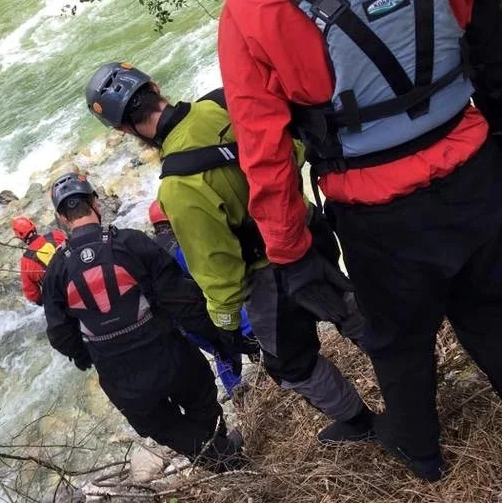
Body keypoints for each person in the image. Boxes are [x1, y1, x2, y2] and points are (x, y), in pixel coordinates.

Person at [217, 0, 502, 481]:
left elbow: (267, 160)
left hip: (379, 219)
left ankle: (420, 456)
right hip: (477, 175)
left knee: (398, 344)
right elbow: (492, 52)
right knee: (493, 308)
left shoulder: (251, 10)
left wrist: (293, 258)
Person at [86, 62, 374, 446]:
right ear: (154, 85)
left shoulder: (178, 187)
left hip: (271, 274)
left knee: (291, 364)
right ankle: (407, 373)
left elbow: (218, 269)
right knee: (349, 309)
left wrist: (225, 326)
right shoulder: (225, 103)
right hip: (309, 230)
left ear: (123, 129)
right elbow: (294, 149)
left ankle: (360, 422)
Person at [41, 172, 246, 471]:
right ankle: (224, 454)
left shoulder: (56, 271)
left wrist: (90, 356)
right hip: (168, 354)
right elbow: (183, 301)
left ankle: (219, 458)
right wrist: (220, 339)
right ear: (95, 202)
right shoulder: (131, 242)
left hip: (120, 376)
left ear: (61, 218)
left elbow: (61, 336)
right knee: (201, 398)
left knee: (162, 425)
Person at [148, 200, 254, 398]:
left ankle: (238, 394)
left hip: (180, 324)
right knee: (246, 332)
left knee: (222, 350)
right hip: (203, 311)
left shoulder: (149, 252)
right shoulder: (182, 248)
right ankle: (265, 369)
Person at [12, 216, 67, 305]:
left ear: (20, 237)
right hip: (76, 279)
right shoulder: (56, 235)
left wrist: (42, 302)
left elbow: (33, 295)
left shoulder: (25, 262)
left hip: (60, 299)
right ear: (34, 227)